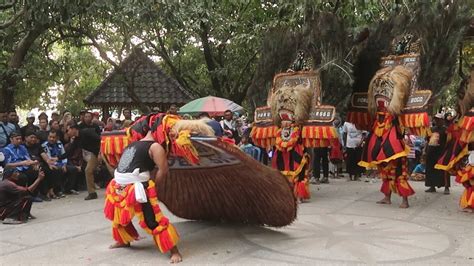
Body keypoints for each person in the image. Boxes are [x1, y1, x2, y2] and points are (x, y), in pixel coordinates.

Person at [104, 130, 182, 263]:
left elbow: (163, 169)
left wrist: (153, 187)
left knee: (152, 220)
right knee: (120, 217)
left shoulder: (137, 144)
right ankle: (123, 240)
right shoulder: (154, 146)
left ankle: (174, 250)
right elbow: (163, 170)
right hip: (120, 185)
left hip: (137, 186)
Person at [65, 123, 101, 200]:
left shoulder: (87, 132)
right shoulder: (77, 140)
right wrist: (57, 158)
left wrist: (101, 152)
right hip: (95, 154)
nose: (67, 132)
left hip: (104, 150)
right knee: (88, 170)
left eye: (68, 130)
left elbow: (100, 139)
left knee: (112, 168)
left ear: (74, 129)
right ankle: (92, 193)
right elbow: (69, 152)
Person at [425, 113, 450, 194]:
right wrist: (425, 151)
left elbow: (449, 141)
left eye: (439, 119)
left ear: (442, 120)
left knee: (444, 170)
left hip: (442, 152)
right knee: (430, 169)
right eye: (435, 119)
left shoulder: (446, 130)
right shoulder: (432, 129)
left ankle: (446, 187)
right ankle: (432, 186)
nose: (437, 120)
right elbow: (427, 140)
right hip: (431, 152)